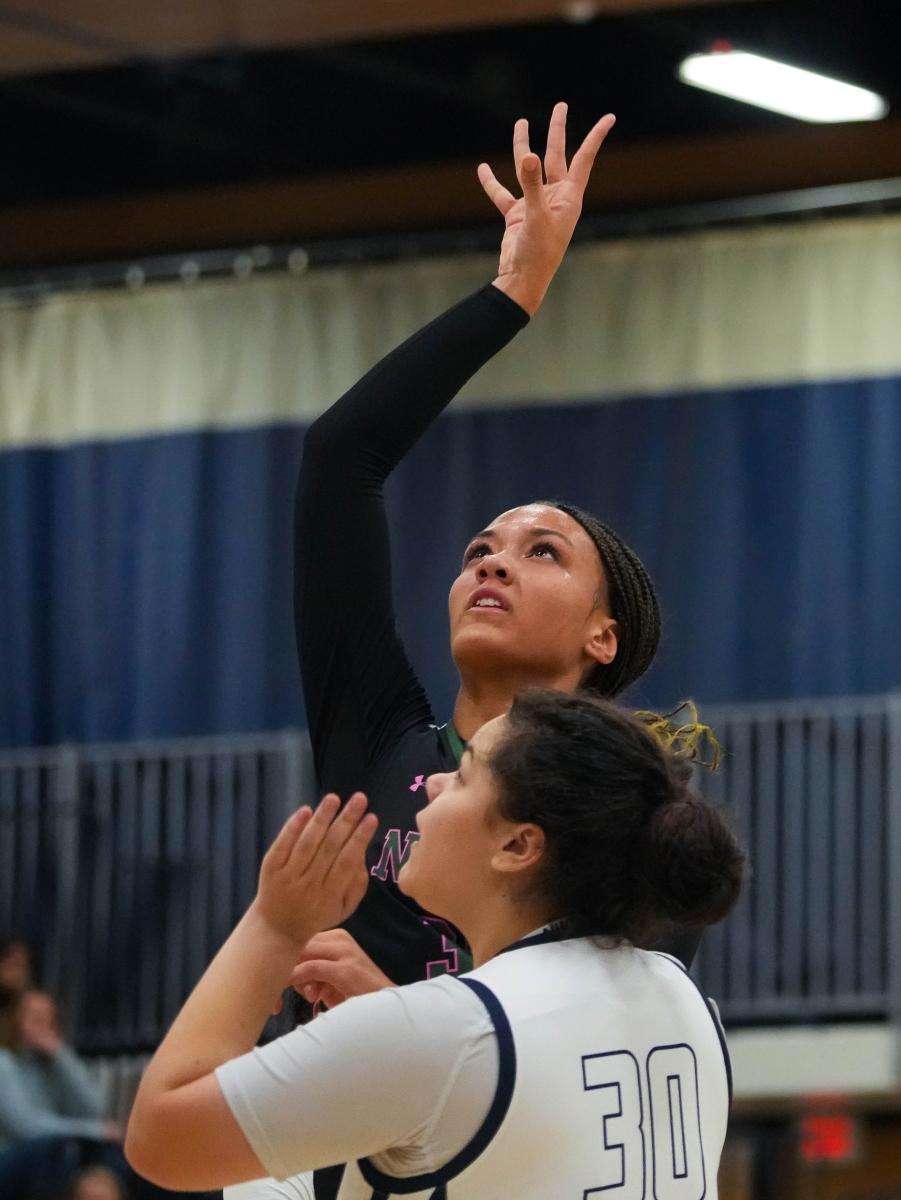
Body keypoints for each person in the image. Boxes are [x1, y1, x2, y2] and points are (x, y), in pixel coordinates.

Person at [289, 101, 697, 1027]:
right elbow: (338, 460)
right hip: (329, 1161)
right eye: (479, 550)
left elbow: (609, 1039)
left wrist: (392, 1016)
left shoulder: (626, 807)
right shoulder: (378, 733)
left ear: (605, 634)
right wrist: (509, 297)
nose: (493, 564)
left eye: (540, 551)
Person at [125, 688, 745, 1198]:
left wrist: (276, 926)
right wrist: (391, 1014)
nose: (431, 786)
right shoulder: (682, 996)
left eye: (464, 775)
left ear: (517, 846)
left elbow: (161, 1138)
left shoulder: (451, 1030)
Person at [0, 989, 127, 1198]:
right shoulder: (5, 1063)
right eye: (35, 1019)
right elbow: (26, 1126)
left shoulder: (55, 1064)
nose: (42, 1027)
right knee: (57, 1149)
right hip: (12, 1158)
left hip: (54, 1149)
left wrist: (61, 1055)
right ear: (16, 1021)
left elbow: (94, 1108)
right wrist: (93, 1131)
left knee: (109, 1153)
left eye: (49, 1020)